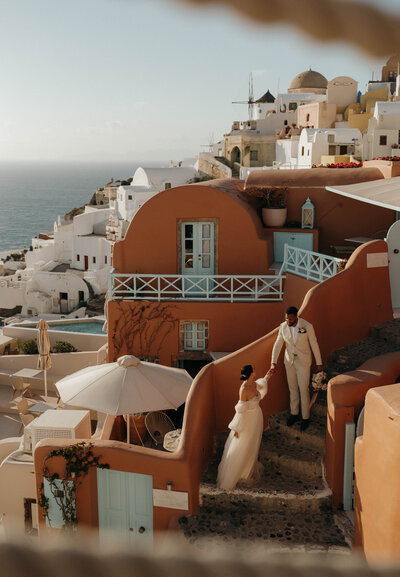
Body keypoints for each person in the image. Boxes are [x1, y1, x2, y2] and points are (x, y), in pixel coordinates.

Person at [269, 306, 322, 431]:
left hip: (303, 361)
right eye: (286, 319)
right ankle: (294, 413)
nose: (288, 322)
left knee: (303, 389)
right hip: (289, 361)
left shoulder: (307, 326)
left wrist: (319, 363)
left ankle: (305, 417)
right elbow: (278, 344)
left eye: (291, 319)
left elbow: (314, 343)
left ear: (296, 317)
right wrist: (273, 362)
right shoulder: (283, 326)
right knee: (292, 387)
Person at [217, 365, 268, 491]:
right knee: (242, 446)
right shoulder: (244, 390)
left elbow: (263, 384)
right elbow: (240, 411)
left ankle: (247, 469)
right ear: (251, 373)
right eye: (254, 369)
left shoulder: (255, 384)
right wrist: (236, 429)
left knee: (252, 444)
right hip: (247, 421)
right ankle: (234, 476)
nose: (256, 370)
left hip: (257, 418)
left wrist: (269, 374)